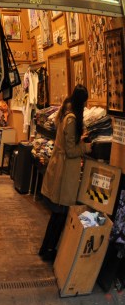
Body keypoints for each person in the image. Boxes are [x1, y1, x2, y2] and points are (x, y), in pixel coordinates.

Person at [38, 84, 89, 261]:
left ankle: (46, 249)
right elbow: (71, 151)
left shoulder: (65, 113)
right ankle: (48, 250)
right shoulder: (72, 119)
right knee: (59, 215)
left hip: (61, 168)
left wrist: (77, 139)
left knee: (57, 215)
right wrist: (85, 146)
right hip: (64, 172)